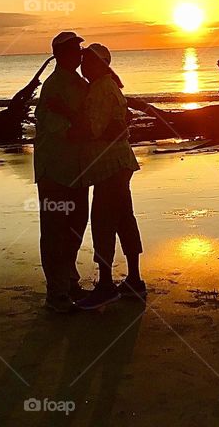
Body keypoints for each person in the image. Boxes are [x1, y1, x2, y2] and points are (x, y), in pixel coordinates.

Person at [74, 43, 145, 310]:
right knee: (124, 217)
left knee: (103, 220)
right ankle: (134, 280)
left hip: (110, 165)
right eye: (83, 61)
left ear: (102, 64)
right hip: (118, 162)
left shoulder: (102, 88)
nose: (84, 66)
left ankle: (106, 285)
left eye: (90, 61)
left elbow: (93, 129)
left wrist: (65, 116)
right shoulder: (106, 86)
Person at [33, 31, 90, 312]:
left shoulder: (78, 83)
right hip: (55, 170)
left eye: (79, 49)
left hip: (76, 169)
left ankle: (68, 280)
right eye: (74, 50)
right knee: (55, 229)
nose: (79, 54)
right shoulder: (54, 85)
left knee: (77, 224)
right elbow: (64, 132)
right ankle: (56, 291)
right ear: (60, 54)